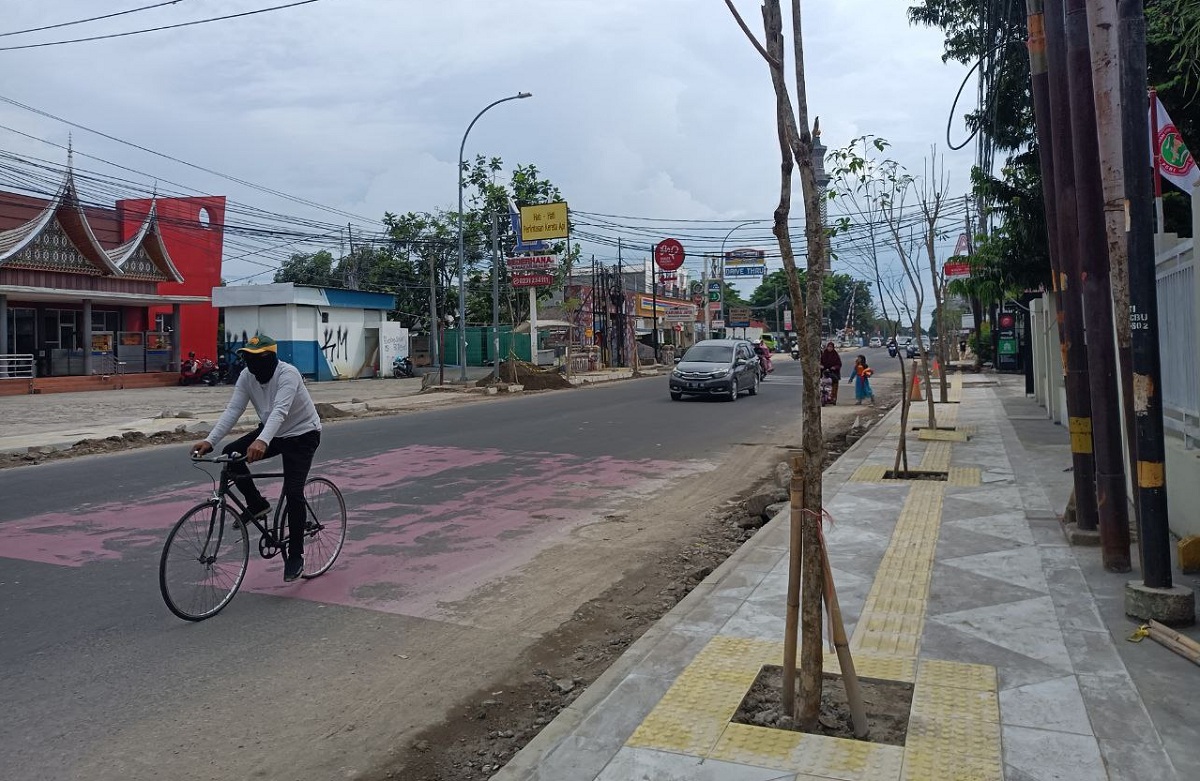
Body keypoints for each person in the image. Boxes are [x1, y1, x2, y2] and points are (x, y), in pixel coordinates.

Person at [190, 334, 323, 582]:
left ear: (271, 357)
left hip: (303, 434)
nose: (252, 364)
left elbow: (280, 411)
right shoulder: (247, 377)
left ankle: (296, 554)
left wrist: (262, 440)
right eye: (247, 358)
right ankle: (257, 504)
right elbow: (234, 410)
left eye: (257, 358)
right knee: (231, 454)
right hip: (273, 432)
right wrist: (210, 440)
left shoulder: (288, 374)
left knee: (294, 493)